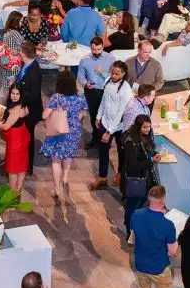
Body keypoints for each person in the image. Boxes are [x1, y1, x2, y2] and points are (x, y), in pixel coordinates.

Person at [130, 185, 178, 288]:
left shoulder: (136, 214)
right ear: (163, 201)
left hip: (141, 265)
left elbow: (135, 235)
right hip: (160, 268)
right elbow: (172, 251)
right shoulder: (168, 225)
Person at [40, 71, 87, 202]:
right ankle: (65, 177)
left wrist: (52, 110)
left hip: (58, 132)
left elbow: (44, 115)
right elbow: (83, 113)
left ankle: (56, 189)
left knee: (56, 160)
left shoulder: (57, 97)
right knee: (68, 155)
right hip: (74, 131)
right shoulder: (80, 97)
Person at [90, 60, 133, 190]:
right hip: (105, 121)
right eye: (112, 73)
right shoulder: (108, 81)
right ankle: (102, 177)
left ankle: (120, 174)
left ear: (123, 73)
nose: (113, 76)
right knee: (103, 151)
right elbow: (104, 100)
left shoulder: (126, 89)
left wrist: (109, 132)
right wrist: (98, 117)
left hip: (118, 126)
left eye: (117, 74)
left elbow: (121, 113)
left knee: (122, 151)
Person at [0, 84, 30, 194]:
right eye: (13, 93)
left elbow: (6, 126)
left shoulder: (16, 109)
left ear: (21, 95)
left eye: (17, 94)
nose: (15, 96)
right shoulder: (22, 105)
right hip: (22, 135)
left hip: (16, 139)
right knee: (21, 166)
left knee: (13, 169)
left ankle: (13, 194)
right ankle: (18, 191)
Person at [123, 113, 159, 235]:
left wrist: (154, 154)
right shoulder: (131, 142)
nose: (148, 130)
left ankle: (135, 228)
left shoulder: (145, 137)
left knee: (139, 205)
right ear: (138, 127)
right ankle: (130, 231)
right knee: (132, 208)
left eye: (149, 127)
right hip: (135, 180)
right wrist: (150, 161)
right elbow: (132, 166)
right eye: (145, 127)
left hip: (144, 180)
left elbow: (149, 150)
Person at [16, 42, 44, 175]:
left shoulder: (33, 71)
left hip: (29, 111)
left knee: (28, 138)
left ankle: (28, 166)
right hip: (23, 108)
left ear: (25, 54)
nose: (19, 54)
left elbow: (33, 95)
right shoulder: (27, 65)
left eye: (20, 52)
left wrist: (19, 100)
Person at [77, 36, 115, 129]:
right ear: (90, 48)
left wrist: (102, 72)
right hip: (91, 92)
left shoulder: (111, 58)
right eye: (94, 50)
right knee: (93, 115)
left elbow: (114, 77)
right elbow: (80, 76)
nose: (97, 52)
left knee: (106, 115)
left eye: (99, 49)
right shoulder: (84, 60)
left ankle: (103, 136)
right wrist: (86, 84)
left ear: (103, 47)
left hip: (106, 91)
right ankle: (95, 137)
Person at [0, 11, 26, 102]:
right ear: (15, 22)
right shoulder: (15, 33)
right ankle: (3, 107)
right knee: (10, 88)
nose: (22, 23)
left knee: (5, 86)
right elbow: (24, 46)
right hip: (13, 66)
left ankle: (1, 106)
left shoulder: (6, 33)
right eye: (20, 21)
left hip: (6, 63)